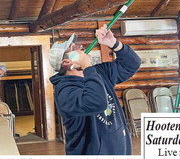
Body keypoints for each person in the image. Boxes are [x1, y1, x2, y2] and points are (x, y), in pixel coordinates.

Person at [49, 26, 141, 155]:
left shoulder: (98, 72)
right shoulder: (65, 92)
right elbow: (96, 102)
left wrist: (114, 44)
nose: (80, 48)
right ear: (66, 62)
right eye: (73, 48)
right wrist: (87, 65)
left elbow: (132, 64)